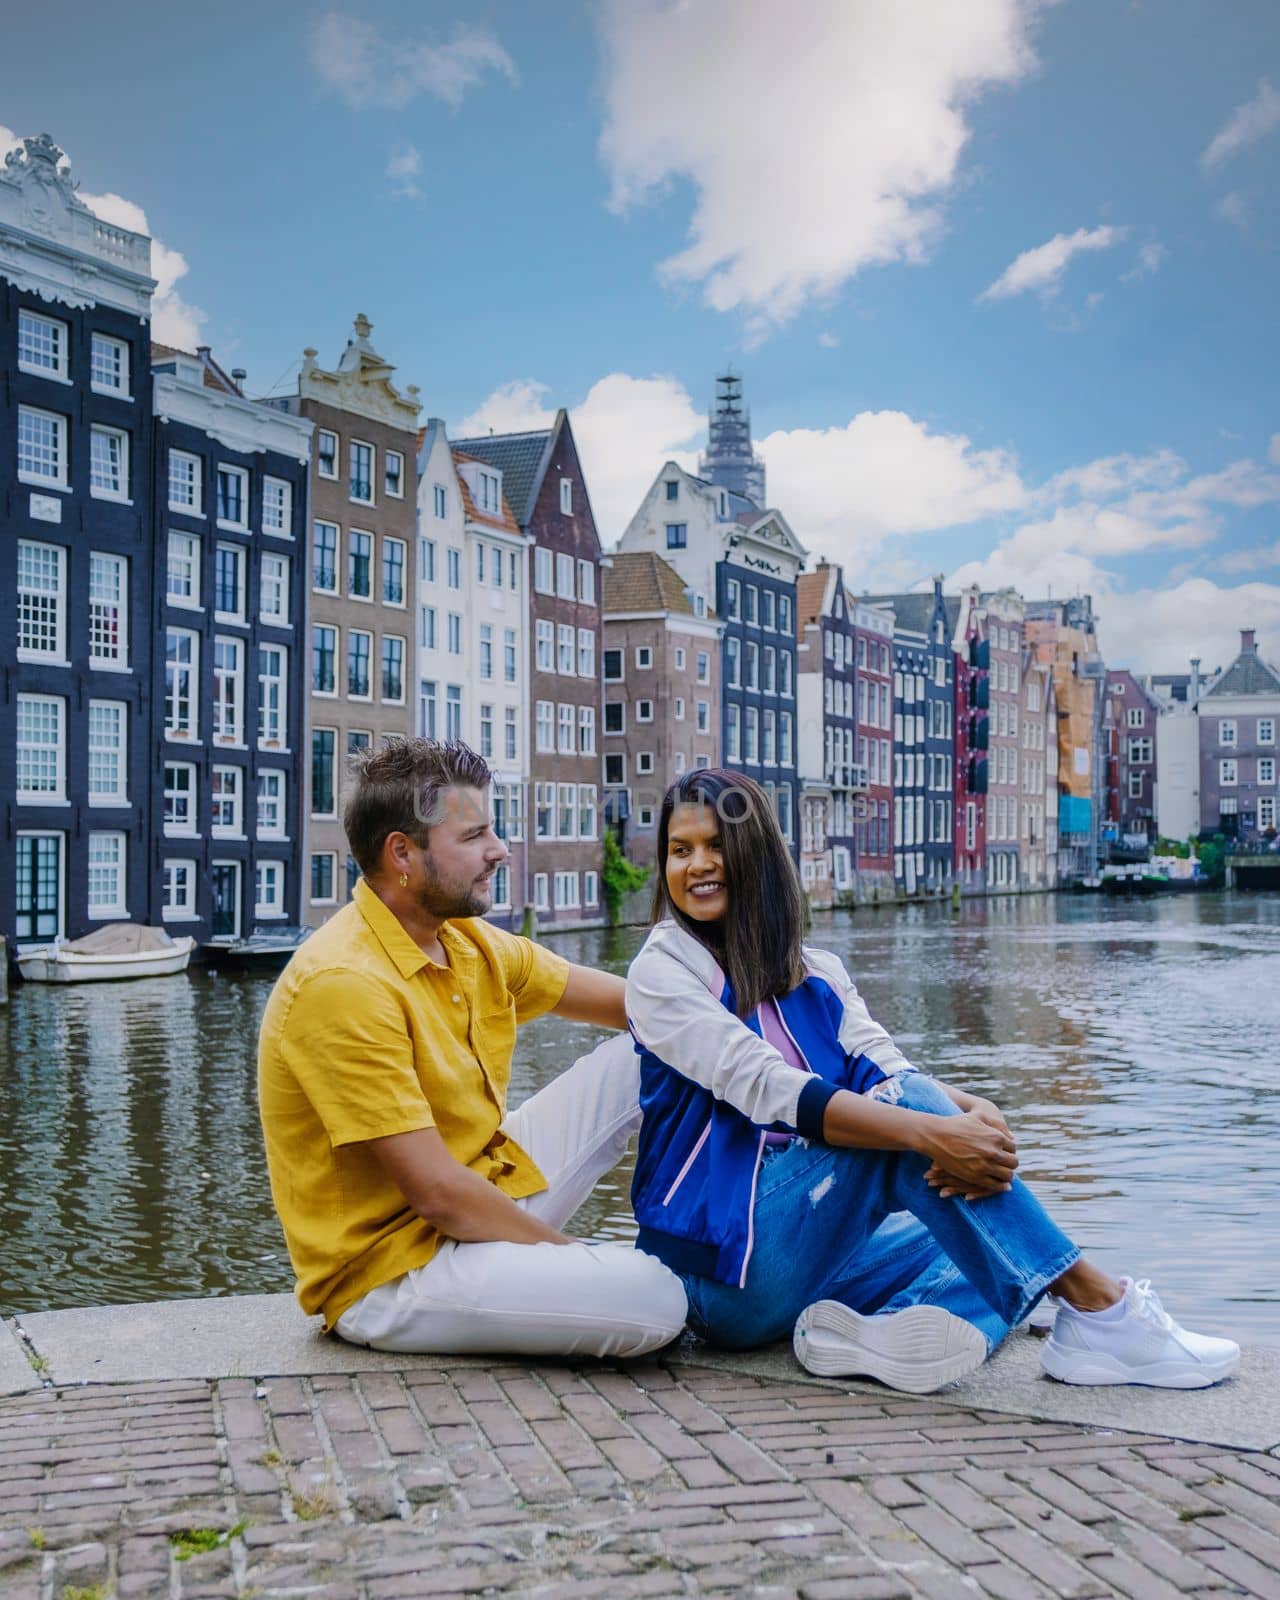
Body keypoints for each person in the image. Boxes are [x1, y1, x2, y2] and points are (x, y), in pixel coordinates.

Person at [625, 769, 1240, 1394]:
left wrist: (976, 1112)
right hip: (719, 1271)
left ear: (756, 854)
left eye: (716, 846)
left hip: (802, 1256)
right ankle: (1100, 1306)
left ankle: (866, 1336)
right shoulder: (662, 970)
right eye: (681, 850)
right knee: (920, 1149)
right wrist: (938, 1132)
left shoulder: (817, 972)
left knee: (980, 1242)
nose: (698, 864)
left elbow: (888, 1068)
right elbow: (768, 1087)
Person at [258, 738, 686, 1359]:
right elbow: (436, 1194)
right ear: (402, 853)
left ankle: (734, 1216)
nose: (501, 849)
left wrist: (776, 1012)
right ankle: (612, 1277)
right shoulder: (343, 984)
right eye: (475, 835)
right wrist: (577, 1261)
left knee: (651, 1049)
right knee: (657, 1299)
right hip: (394, 1273)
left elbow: (642, 1009)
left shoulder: (464, 940)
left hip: (481, 1189)